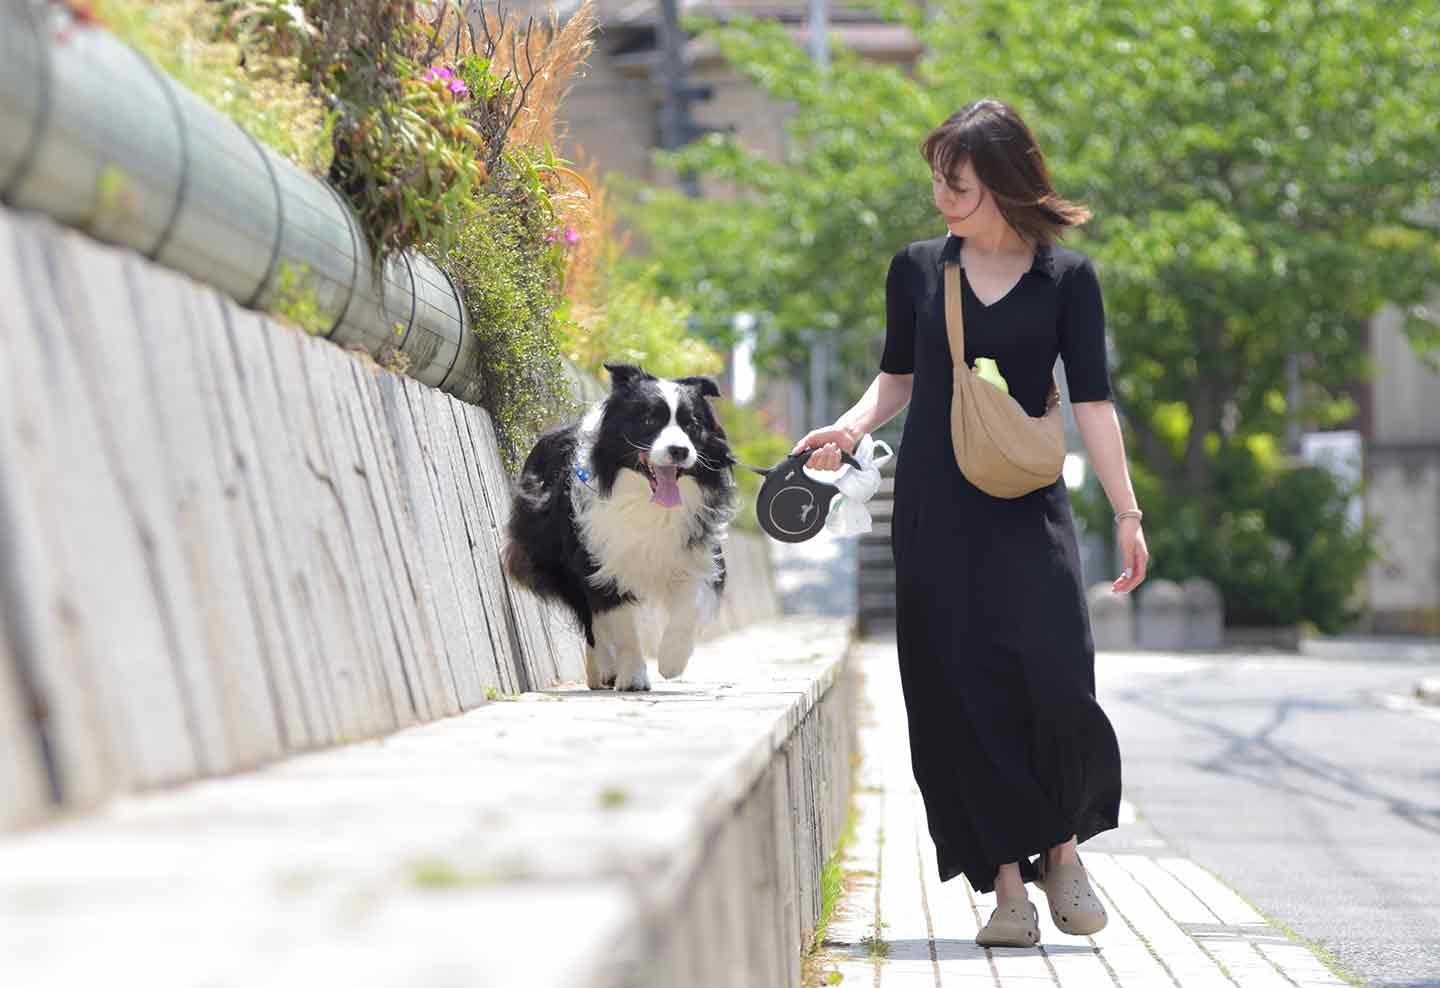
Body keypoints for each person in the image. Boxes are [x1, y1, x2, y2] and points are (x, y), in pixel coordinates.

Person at [792, 98, 1150, 948]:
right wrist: (848, 429)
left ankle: (1061, 849)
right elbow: (896, 379)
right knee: (962, 687)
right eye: (939, 182)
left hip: (1030, 505)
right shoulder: (917, 269)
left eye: (958, 182)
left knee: (1055, 674)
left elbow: (1093, 404)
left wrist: (1128, 512)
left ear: (1003, 179)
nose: (944, 196)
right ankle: (1005, 890)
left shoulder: (1068, 279)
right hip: (935, 505)